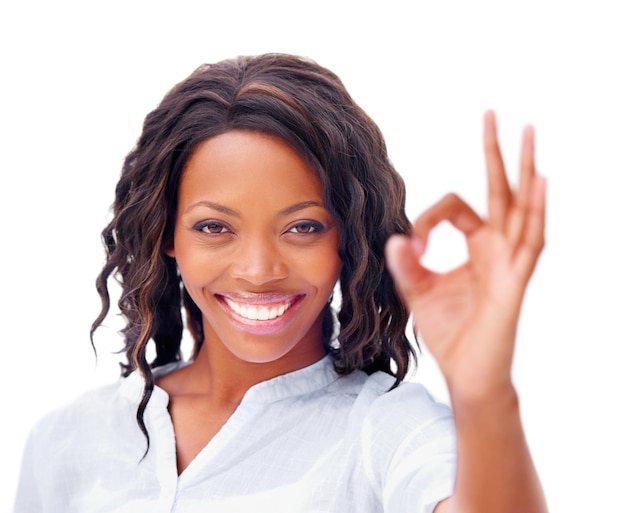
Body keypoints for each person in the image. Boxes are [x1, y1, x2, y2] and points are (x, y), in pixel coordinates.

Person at [14, 53, 548, 513]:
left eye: (303, 227)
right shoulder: (67, 440)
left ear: (348, 240)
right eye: (215, 227)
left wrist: (484, 391)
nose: (258, 270)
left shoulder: (387, 431)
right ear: (168, 234)